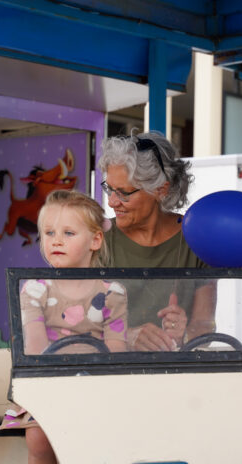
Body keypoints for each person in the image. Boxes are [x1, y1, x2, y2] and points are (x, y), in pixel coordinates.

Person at [0, 190, 127, 464]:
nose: (56, 241)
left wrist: (95, 381)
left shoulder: (112, 292)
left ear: (95, 240)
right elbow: (35, 347)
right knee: (39, 438)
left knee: (107, 431)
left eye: (68, 233)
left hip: (97, 386)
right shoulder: (35, 290)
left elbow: (116, 348)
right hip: (47, 383)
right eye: (49, 233)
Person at [98, 132, 216, 352]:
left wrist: (185, 333)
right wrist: (126, 336)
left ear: (161, 190)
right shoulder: (98, 239)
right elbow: (74, 324)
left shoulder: (197, 239)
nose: (112, 202)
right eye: (109, 189)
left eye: (123, 193)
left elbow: (204, 327)